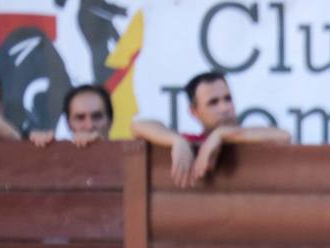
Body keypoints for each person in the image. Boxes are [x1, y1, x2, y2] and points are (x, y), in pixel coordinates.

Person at [130, 71, 289, 189]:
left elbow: (283, 136)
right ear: (194, 111)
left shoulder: (250, 136)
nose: (224, 108)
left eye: (228, 99)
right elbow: (137, 126)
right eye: (213, 103)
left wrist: (220, 134)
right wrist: (176, 141)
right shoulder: (192, 141)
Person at [29, 84, 113, 148]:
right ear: (68, 123)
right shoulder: (57, 159)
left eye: (97, 117)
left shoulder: (125, 158)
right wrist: (40, 149)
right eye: (80, 118)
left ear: (110, 121)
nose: (89, 126)